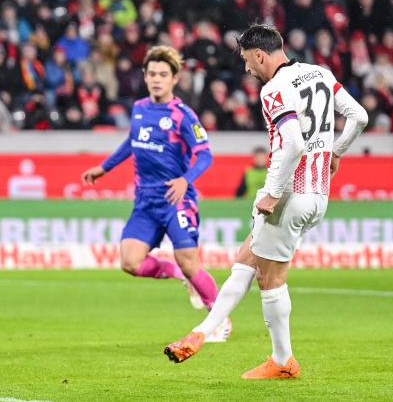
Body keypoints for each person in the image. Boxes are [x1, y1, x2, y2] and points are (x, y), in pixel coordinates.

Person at [164, 24, 368, 378]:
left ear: (260, 55)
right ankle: (201, 333)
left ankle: (282, 361)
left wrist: (272, 193)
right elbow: (359, 116)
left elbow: (292, 143)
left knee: (271, 280)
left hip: (290, 195)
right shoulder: (320, 73)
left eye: (246, 60)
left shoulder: (274, 88)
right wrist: (337, 150)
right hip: (318, 193)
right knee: (245, 260)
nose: (246, 68)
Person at [81, 46, 230, 341]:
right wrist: (104, 168)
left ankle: (219, 318)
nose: (156, 79)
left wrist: (186, 180)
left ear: (175, 78)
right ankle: (176, 273)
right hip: (146, 200)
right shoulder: (138, 108)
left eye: (163, 74)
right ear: (145, 77)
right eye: (152, 74)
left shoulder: (183, 115)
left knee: (190, 260)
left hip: (176, 198)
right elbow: (132, 142)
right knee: (130, 262)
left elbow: (205, 155)